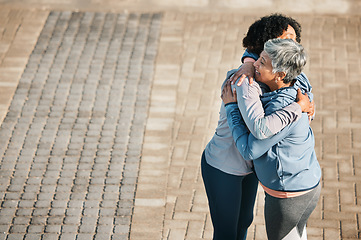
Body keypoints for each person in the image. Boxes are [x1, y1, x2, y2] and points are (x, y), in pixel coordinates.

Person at [201, 14, 314, 240]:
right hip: (224, 166)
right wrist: (298, 107)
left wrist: (307, 102)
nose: (294, 44)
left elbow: (303, 88)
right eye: (287, 38)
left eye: (294, 39)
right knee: (226, 233)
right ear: (268, 45)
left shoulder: (280, 78)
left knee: (244, 222)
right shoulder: (246, 82)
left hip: (251, 168)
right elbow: (260, 131)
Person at [221, 38, 321, 240]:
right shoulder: (297, 83)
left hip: (289, 196)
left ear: (280, 74)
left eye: (262, 63)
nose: (255, 65)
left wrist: (232, 108)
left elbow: (250, 150)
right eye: (259, 58)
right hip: (303, 186)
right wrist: (248, 61)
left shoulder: (281, 108)